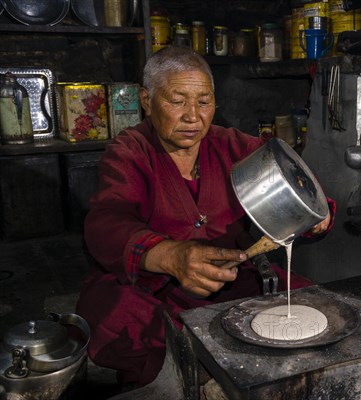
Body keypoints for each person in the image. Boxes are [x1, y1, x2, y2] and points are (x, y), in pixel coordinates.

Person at [76, 45, 334, 388]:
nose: (193, 116)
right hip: (157, 290)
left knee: (312, 302)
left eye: (204, 101)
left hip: (229, 278)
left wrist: (317, 211)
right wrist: (171, 255)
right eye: (177, 100)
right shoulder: (130, 152)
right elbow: (107, 222)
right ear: (147, 100)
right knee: (117, 314)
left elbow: (294, 178)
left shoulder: (232, 145)